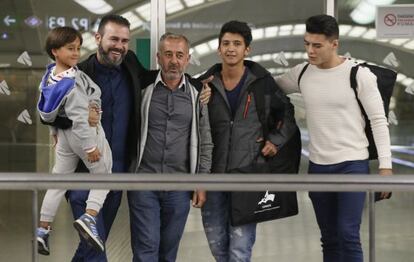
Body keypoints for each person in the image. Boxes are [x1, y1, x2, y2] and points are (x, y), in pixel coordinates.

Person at [275, 14, 393, 262]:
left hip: (352, 165)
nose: (309, 51)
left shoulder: (359, 76)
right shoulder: (302, 73)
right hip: (318, 167)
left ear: (334, 44)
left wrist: (385, 168)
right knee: (328, 237)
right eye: (306, 43)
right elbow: (268, 87)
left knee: (348, 234)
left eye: (316, 45)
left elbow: (379, 121)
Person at [45, 14, 146, 261]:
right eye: (114, 39)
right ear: (98, 38)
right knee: (95, 244)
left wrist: (199, 82)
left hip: (117, 174)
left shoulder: (130, 64)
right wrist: (59, 129)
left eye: (124, 40)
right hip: (83, 175)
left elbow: (155, 77)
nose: (119, 46)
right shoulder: (79, 73)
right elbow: (50, 110)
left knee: (91, 245)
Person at [199, 20, 298, 262]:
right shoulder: (205, 84)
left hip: (248, 175)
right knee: (218, 246)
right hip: (213, 177)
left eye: (237, 44)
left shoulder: (262, 84)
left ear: (247, 50)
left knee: (240, 249)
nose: (231, 48)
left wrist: (275, 140)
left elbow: (286, 114)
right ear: (218, 49)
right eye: (226, 43)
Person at [127, 32, 213, 262]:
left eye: (179, 55)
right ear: (158, 57)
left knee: (168, 251)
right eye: (168, 55)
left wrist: (201, 182)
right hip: (143, 182)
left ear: (187, 59)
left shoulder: (197, 95)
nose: (173, 61)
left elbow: (206, 141)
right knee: (146, 248)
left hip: (179, 187)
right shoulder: (143, 91)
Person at [36, 26, 111, 255]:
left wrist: (55, 134)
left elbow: (50, 112)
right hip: (84, 135)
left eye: (78, 48)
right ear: (55, 51)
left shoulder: (49, 77)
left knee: (59, 181)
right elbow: (79, 119)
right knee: (105, 174)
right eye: (70, 48)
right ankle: (89, 217)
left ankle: (43, 229)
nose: (76, 53)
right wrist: (90, 146)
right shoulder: (72, 84)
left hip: (63, 137)